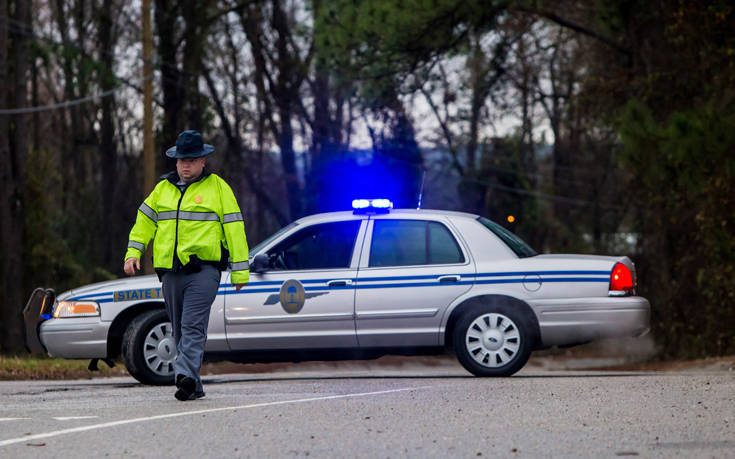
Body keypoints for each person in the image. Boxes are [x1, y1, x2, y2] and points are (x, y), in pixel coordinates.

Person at [123, 130, 249, 401]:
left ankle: (184, 377)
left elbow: (235, 229)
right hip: (170, 273)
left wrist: (240, 271)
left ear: (203, 161)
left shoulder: (218, 188)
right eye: (181, 160)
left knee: (192, 325)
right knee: (179, 329)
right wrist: (133, 253)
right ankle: (195, 385)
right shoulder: (162, 189)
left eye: (191, 160)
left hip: (204, 271)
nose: (185, 165)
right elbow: (144, 223)